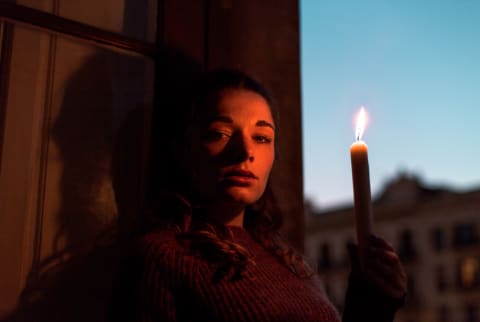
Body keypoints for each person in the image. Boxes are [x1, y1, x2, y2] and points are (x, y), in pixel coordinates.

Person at [112, 68, 407, 322]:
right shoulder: (162, 257)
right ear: (185, 148)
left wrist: (371, 304)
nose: (245, 152)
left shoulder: (285, 258)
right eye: (220, 133)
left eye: (262, 137)